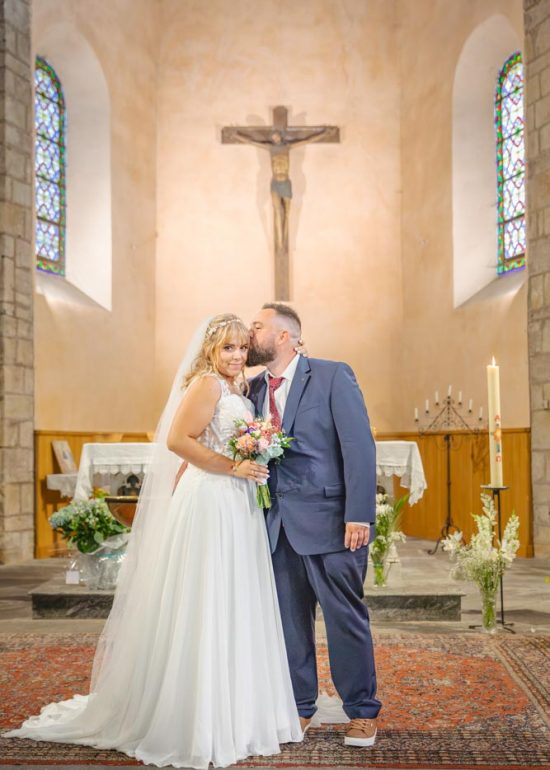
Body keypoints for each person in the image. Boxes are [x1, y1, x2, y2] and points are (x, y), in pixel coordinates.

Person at [6, 314, 303, 769]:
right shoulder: (206, 385)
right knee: (204, 600)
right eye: (227, 348)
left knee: (232, 600)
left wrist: (249, 462)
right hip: (211, 500)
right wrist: (234, 468)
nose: (237, 356)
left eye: (242, 348)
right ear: (209, 351)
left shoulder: (239, 389)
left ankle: (238, 708)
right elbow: (177, 440)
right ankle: (197, 718)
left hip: (236, 502)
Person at [246, 303, 382, 747]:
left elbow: (358, 446)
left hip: (332, 523)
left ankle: (362, 711)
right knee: (288, 622)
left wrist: (358, 514)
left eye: (259, 326)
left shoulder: (330, 375)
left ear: (284, 336)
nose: (252, 333)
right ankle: (300, 706)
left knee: (345, 618)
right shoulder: (250, 391)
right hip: (276, 524)